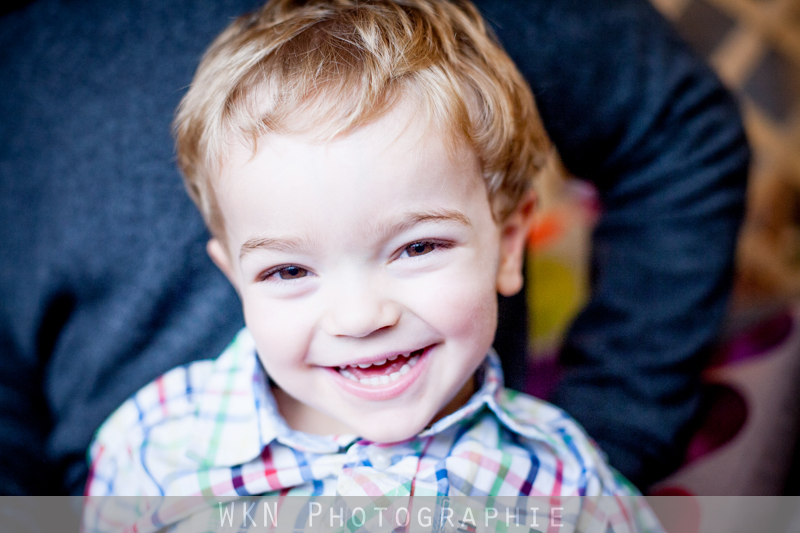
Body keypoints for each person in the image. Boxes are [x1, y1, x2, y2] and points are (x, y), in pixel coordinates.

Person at [0, 0, 748, 497]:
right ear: (235, 280)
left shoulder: (564, 482)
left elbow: (678, 128)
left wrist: (618, 427)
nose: (360, 315)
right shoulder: (148, 448)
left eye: (417, 246)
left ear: (508, 244)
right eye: (288, 269)